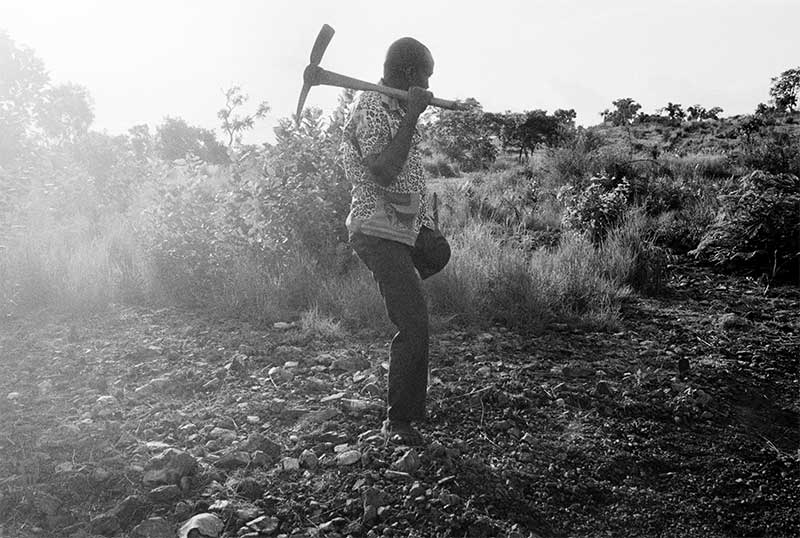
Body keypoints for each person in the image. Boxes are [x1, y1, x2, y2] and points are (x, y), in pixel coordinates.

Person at [339, 37, 451, 445]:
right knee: (414, 322)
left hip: (402, 226)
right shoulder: (371, 107)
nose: (429, 85)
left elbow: (405, 179)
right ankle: (398, 422)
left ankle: (399, 283)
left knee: (438, 250)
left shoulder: (398, 106)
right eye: (426, 76)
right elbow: (385, 172)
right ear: (409, 74)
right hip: (376, 229)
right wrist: (413, 117)